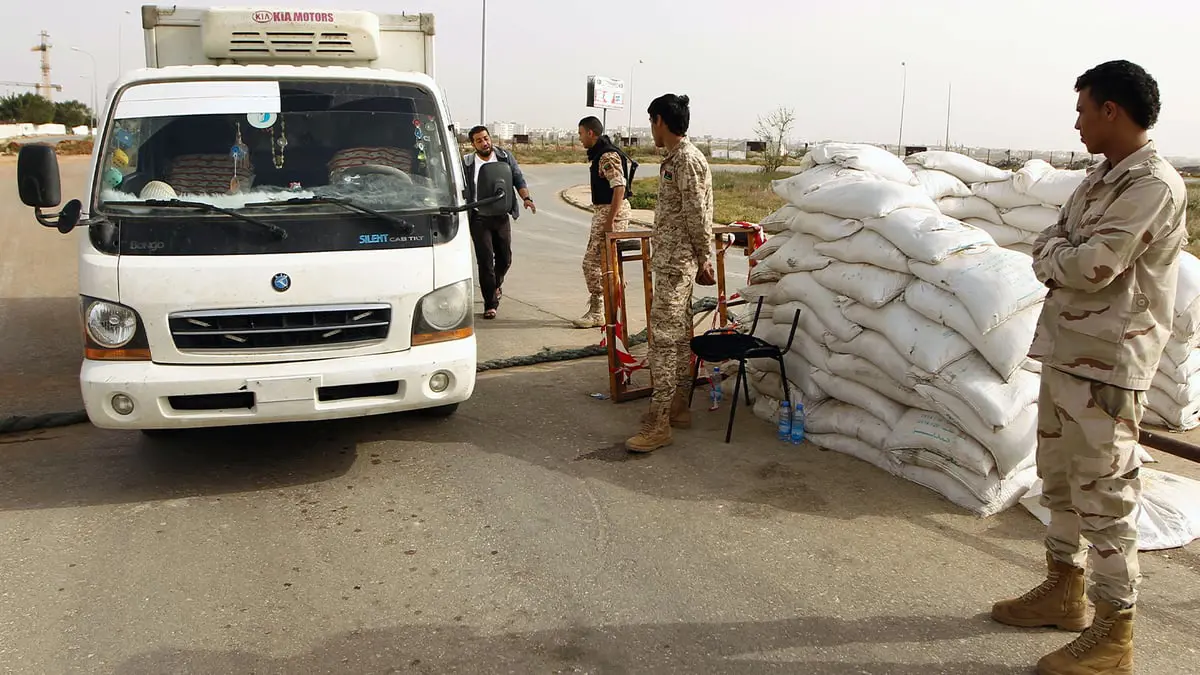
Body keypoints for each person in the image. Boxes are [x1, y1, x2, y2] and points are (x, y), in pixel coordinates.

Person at [992, 60, 1187, 674]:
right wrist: (1059, 253)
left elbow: (1093, 265)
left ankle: (1114, 632)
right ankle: (1064, 588)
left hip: (1109, 364)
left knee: (1106, 495)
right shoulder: (1099, 180)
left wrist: (1058, 255)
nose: (1076, 123)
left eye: (1082, 110)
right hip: (1068, 352)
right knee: (1059, 480)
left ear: (1111, 110)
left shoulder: (1152, 185)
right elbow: (1049, 242)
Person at [626, 94, 716, 453]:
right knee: (678, 337)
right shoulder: (676, 158)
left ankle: (658, 422)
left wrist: (705, 258)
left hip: (676, 267)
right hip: (672, 263)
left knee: (662, 340)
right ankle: (678, 407)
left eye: (651, 122)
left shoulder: (686, 160)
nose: (651, 130)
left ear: (660, 121)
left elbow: (698, 215)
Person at [462, 126, 535, 319]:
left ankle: (495, 285)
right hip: (479, 218)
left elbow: (518, 179)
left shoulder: (504, 157)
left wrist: (527, 198)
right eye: (479, 140)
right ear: (473, 144)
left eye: (486, 138)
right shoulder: (467, 163)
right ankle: (490, 304)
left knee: (505, 258)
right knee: (485, 261)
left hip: (501, 216)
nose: (484, 143)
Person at [573, 116, 636, 329]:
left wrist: (610, 221)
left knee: (592, 264)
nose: (580, 138)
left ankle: (599, 311)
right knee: (606, 264)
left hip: (611, 211)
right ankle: (608, 307)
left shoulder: (607, 155)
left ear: (591, 133)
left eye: (581, 133)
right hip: (606, 211)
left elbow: (619, 187)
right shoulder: (601, 153)